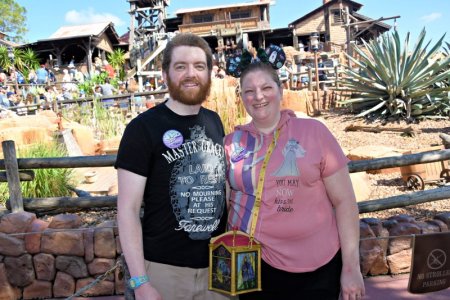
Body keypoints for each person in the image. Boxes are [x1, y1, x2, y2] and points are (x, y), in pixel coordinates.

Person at [224, 60, 365, 299]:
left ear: (280, 90)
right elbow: (229, 201)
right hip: (255, 264)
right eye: (249, 91)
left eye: (266, 88)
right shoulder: (231, 143)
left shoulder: (314, 133)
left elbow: (345, 202)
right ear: (242, 97)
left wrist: (351, 267)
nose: (258, 96)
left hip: (318, 267)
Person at [115, 33, 229, 300]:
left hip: (218, 266)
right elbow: (128, 210)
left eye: (199, 66)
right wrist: (140, 281)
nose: (191, 74)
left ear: (210, 73)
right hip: (166, 272)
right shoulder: (142, 129)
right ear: (165, 74)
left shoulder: (214, 122)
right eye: (181, 66)